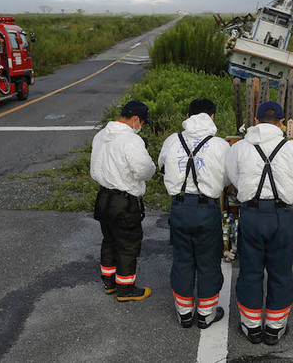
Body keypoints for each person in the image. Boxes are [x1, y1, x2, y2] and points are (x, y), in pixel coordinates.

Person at [226, 101, 293, 345]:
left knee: (250, 271)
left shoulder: (240, 148)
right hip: (281, 216)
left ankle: (251, 327)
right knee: (281, 272)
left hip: (251, 214)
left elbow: (234, 176)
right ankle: (274, 328)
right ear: (283, 123)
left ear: (256, 121)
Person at [158, 98, 231, 329]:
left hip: (179, 207)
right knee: (208, 262)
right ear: (212, 117)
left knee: (182, 260)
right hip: (207, 209)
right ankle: (206, 314)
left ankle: (184, 313)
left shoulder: (172, 140)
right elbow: (228, 178)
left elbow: (162, 168)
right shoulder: (220, 145)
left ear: (188, 116)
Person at [90, 100, 156, 302]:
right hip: (124, 201)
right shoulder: (131, 141)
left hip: (103, 198)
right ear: (136, 119)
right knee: (127, 244)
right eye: (142, 122)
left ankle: (109, 283)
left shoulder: (101, 135)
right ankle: (125, 289)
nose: (141, 127)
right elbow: (145, 170)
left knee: (109, 240)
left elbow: (95, 167)